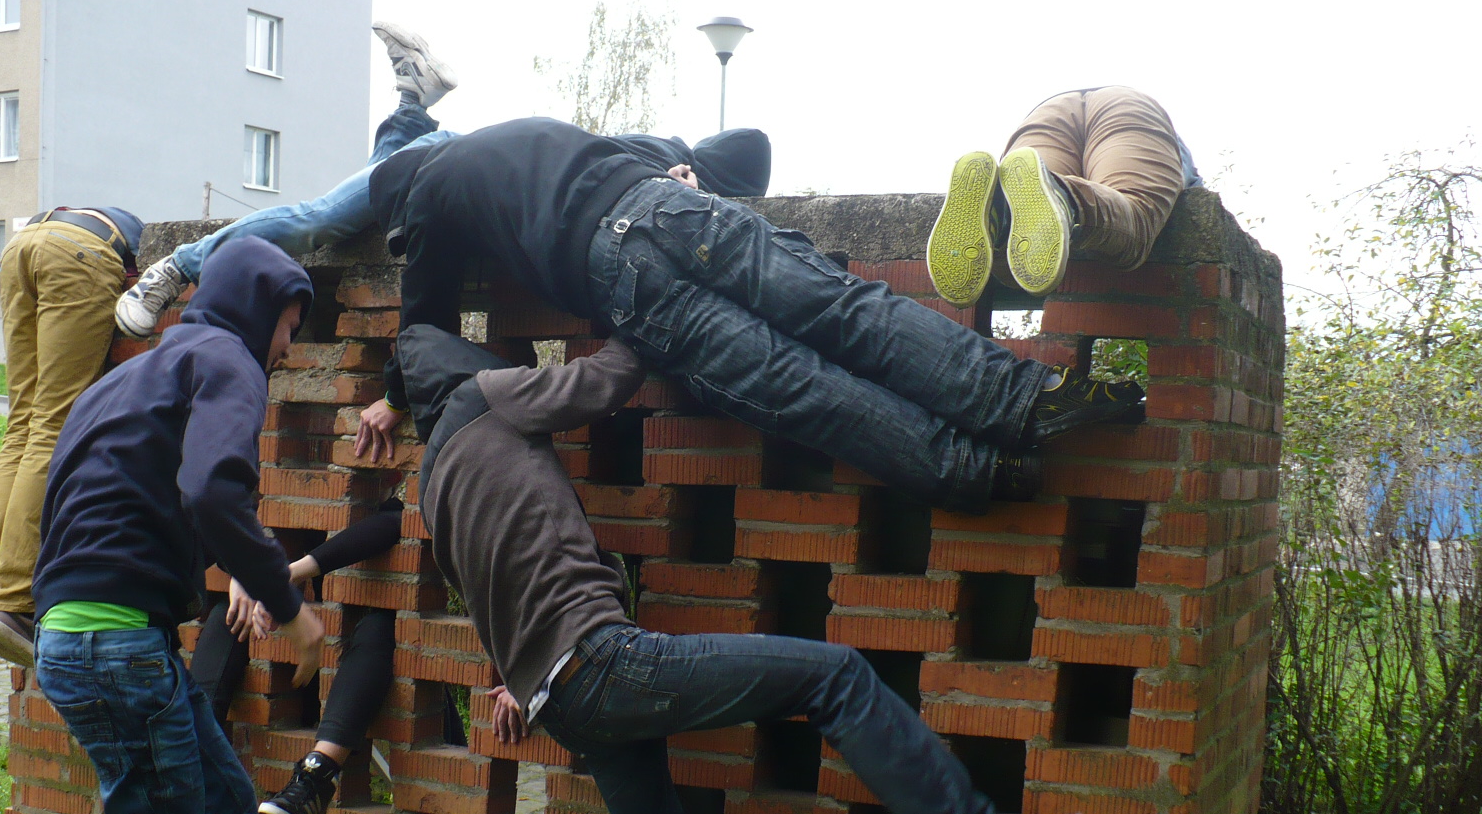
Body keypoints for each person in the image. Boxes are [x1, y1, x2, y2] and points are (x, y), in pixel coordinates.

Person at [390, 322, 1084, 814]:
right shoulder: (488, 396)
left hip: (561, 699)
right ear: (464, 369)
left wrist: (520, 677)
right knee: (836, 675)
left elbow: (486, 598)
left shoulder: (434, 485)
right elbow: (606, 378)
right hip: (606, 663)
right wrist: (639, 308)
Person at [353, 116, 1144, 513]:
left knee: (802, 387)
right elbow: (723, 148)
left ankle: (983, 470)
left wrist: (393, 396)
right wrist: (683, 175)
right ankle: (1031, 399)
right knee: (846, 308)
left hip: (618, 277)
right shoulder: (528, 130)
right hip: (670, 207)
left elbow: (424, 325)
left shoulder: (426, 194)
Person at [10, 238, 326, 814]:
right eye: (289, 327)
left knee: (224, 813)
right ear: (259, 309)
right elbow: (215, 491)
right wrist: (290, 606)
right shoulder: (227, 360)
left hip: (82, 634)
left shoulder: (132, 373)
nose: (288, 349)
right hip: (120, 647)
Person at [114, 22, 459, 337]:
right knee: (321, 218)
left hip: (450, 158)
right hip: (450, 157)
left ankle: (413, 96)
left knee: (371, 197)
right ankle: (176, 268)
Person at [0, 205, 145, 668]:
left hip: (21, 246)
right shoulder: (136, 254)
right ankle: (14, 602)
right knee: (53, 426)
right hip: (81, 252)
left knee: (21, 425)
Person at [925, 86, 1201, 307]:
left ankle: (1001, 214)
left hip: (1049, 111)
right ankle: (1063, 199)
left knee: (1014, 234)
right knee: (1135, 211)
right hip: (1128, 108)